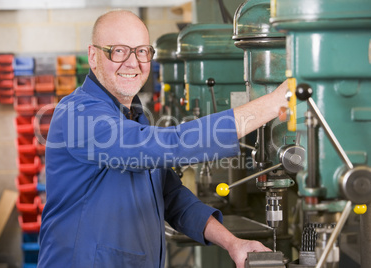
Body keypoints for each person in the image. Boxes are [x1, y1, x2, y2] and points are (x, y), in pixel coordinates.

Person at [37, 10, 288, 268]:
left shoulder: (133, 117)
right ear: (93, 55)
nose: (133, 63)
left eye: (142, 51)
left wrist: (233, 243)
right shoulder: (78, 114)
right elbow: (170, 144)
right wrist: (273, 104)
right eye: (119, 51)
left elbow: (172, 198)